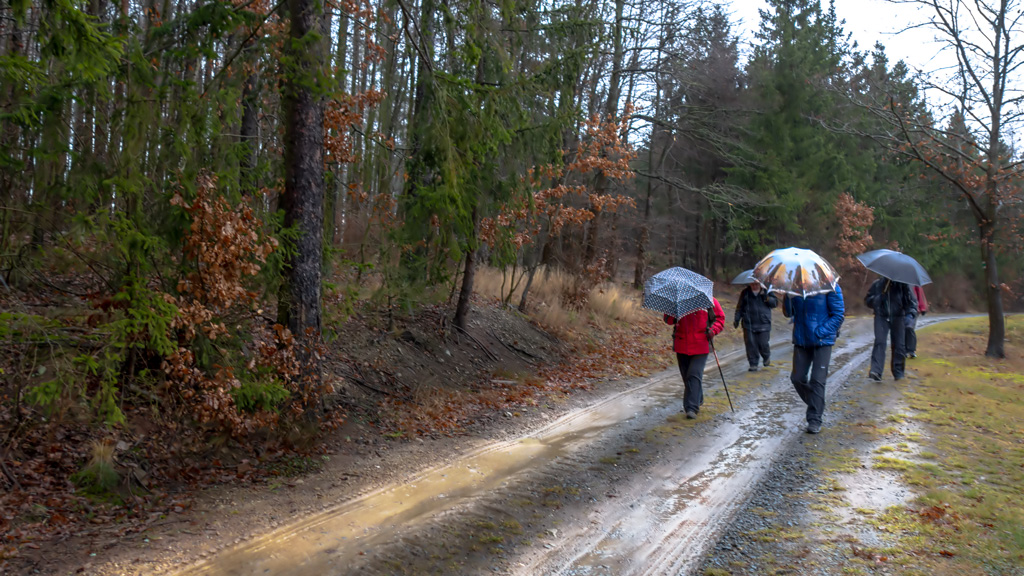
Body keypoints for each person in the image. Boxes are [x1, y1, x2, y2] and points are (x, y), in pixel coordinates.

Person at [782, 284, 845, 434]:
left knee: (817, 380)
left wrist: (820, 332)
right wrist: (787, 297)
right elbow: (788, 313)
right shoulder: (795, 287)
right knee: (797, 378)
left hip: (822, 340)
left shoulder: (831, 286)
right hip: (801, 339)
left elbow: (838, 315)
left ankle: (814, 419)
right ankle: (817, 403)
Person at [664, 298, 726, 419]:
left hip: (701, 345)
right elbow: (668, 320)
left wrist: (713, 330)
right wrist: (673, 309)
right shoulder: (678, 300)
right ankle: (698, 397)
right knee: (687, 377)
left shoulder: (709, 300)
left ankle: (691, 408)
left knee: (693, 374)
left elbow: (720, 319)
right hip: (682, 345)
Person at [864, 277, 918, 381]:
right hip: (881, 316)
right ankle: (876, 371)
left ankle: (898, 372)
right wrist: (877, 299)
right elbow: (867, 300)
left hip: (898, 317)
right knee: (880, 342)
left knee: (899, 345)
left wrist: (910, 315)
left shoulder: (904, 286)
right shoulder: (877, 284)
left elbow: (912, 303)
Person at [734, 282, 778, 371]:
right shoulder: (745, 293)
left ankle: (766, 356)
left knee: (763, 343)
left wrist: (766, 297)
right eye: (752, 284)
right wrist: (737, 319)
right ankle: (753, 364)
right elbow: (740, 307)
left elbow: (774, 303)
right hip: (748, 323)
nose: (754, 286)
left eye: (756, 284)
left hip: (763, 322)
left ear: (760, 284)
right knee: (751, 344)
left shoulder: (767, 291)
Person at [905, 285, 928, 358]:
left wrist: (922, 307)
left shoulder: (914, 281)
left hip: (913, 309)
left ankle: (911, 350)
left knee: (909, 328)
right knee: (902, 329)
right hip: (901, 308)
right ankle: (903, 349)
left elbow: (920, 294)